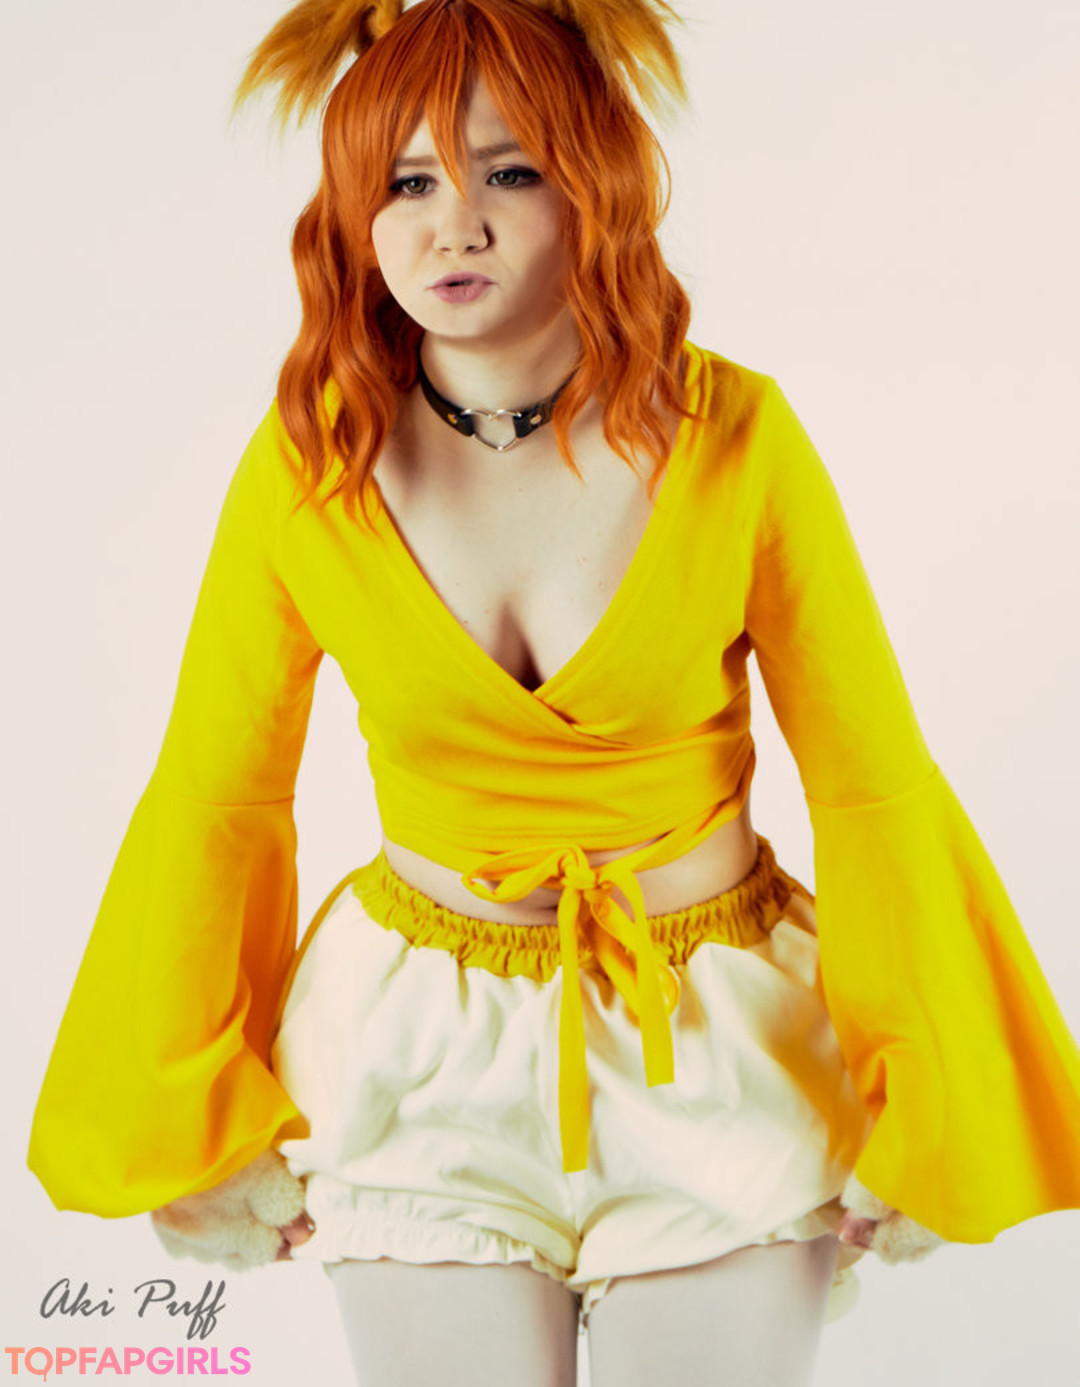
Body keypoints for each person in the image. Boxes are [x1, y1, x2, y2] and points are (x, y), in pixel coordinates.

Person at [26, 1, 1080, 1384]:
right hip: (419, 1058)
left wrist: (928, 1088)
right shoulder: (309, 466)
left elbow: (869, 777)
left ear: (597, 184)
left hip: (713, 1044)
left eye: (508, 172)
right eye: (406, 182)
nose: (452, 227)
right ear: (353, 212)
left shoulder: (737, 438)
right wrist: (183, 1104)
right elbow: (218, 792)